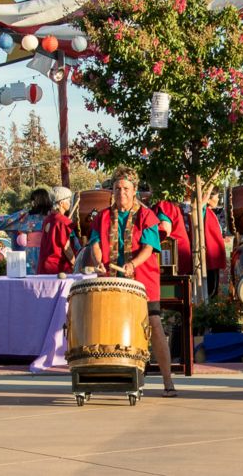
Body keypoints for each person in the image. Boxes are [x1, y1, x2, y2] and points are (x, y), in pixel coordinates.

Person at [80, 167, 176, 397]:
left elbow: (149, 247)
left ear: (134, 192)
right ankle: (112, 377)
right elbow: (94, 243)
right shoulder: (103, 217)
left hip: (142, 282)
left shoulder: (146, 216)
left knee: (153, 325)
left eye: (126, 188)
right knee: (109, 327)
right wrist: (98, 259)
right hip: (112, 281)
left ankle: (168, 381)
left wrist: (133, 264)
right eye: (117, 188)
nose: (121, 192)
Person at [37, 187, 77, 275]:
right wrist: (75, 264)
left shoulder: (47, 219)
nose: (70, 203)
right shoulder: (63, 221)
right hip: (57, 268)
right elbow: (67, 248)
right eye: (69, 200)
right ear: (61, 203)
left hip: (43, 267)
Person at [153, 190, 193, 274]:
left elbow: (164, 232)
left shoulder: (165, 205)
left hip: (173, 254)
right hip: (178, 252)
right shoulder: (171, 205)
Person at [199, 191, 229, 296]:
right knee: (210, 285)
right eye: (216, 197)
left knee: (214, 282)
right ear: (208, 198)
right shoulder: (202, 211)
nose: (217, 200)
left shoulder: (215, 212)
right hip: (207, 252)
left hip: (213, 252)